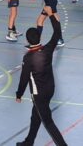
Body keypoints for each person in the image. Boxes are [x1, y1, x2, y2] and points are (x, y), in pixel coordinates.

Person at [15, 15, 68, 146]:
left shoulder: (28, 58)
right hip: (50, 90)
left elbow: (24, 79)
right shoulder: (47, 50)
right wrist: (52, 16)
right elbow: (57, 33)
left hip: (39, 95)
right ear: (39, 37)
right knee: (35, 116)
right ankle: (29, 142)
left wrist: (19, 94)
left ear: (27, 40)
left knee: (48, 123)